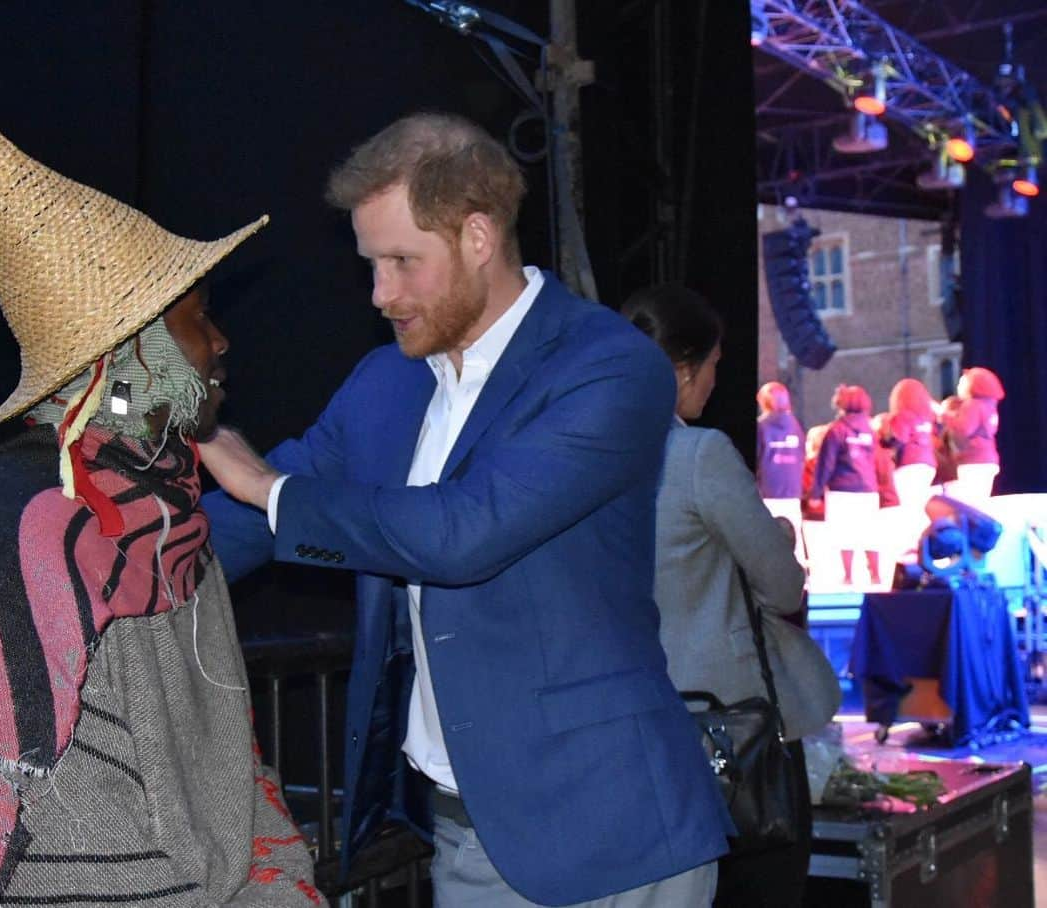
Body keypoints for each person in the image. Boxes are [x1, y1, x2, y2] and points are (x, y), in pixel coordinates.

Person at [200, 112, 732, 907]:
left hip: (616, 835)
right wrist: (92, 557)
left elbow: (464, 532)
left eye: (402, 262)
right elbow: (257, 520)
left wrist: (269, 488)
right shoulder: (387, 382)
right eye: (371, 265)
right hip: (462, 832)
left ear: (478, 237)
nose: (380, 293)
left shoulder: (610, 367)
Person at [0, 108, 320, 906]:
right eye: (198, 320)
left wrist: (284, 883)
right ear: (130, 354)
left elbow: (232, 766)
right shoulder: (31, 520)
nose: (221, 342)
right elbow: (10, 815)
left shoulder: (172, 516)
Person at [621, 285, 839, 908]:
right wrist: (782, 533)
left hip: (634, 728)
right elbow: (782, 585)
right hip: (730, 733)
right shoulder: (697, 455)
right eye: (714, 364)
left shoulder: (589, 456)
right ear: (684, 366)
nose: (718, 381)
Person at [811, 385, 881, 587]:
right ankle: (875, 575)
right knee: (869, 533)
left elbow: (826, 463)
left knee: (844, 533)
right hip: (868, 489)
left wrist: (816, 493)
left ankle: (848, 576)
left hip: (843, 489)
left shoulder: (836, 430)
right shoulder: (870, 429)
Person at [756, 381, 806, 563]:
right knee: (796, 541)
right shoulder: (795, 426)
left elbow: (756, 459)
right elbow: (802, 456)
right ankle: (801, 581)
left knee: (766, 540)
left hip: (767, 491)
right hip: (792, 491)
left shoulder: (761, 427)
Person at [944, 366, 1005, 503]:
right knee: (981, 502)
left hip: (974, 461)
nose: (959, 386)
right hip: (988, 459)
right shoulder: (989, 405)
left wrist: (944, 415)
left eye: (962, 383)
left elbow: (963, 429)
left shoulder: (972, 404)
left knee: (972, 504)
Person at [886, 377, 938, 514]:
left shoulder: (902, 415)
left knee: (909, 508)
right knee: (920, 505)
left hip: (909, 464)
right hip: (928, 464)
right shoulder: (926, 417)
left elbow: (900, 439)